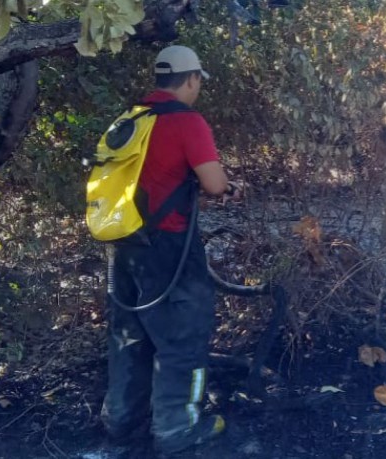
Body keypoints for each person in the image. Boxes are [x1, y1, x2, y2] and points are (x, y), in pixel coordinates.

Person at [100, 45, 238, 454]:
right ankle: (178, 427)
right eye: (198, 82)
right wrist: (227, 186)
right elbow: (213, 184)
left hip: (123, 246)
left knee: (129, 336)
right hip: (168, 249)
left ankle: (121, 420)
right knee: (183, 337)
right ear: (191, 79)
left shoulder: (129, 119)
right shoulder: (185, 121)